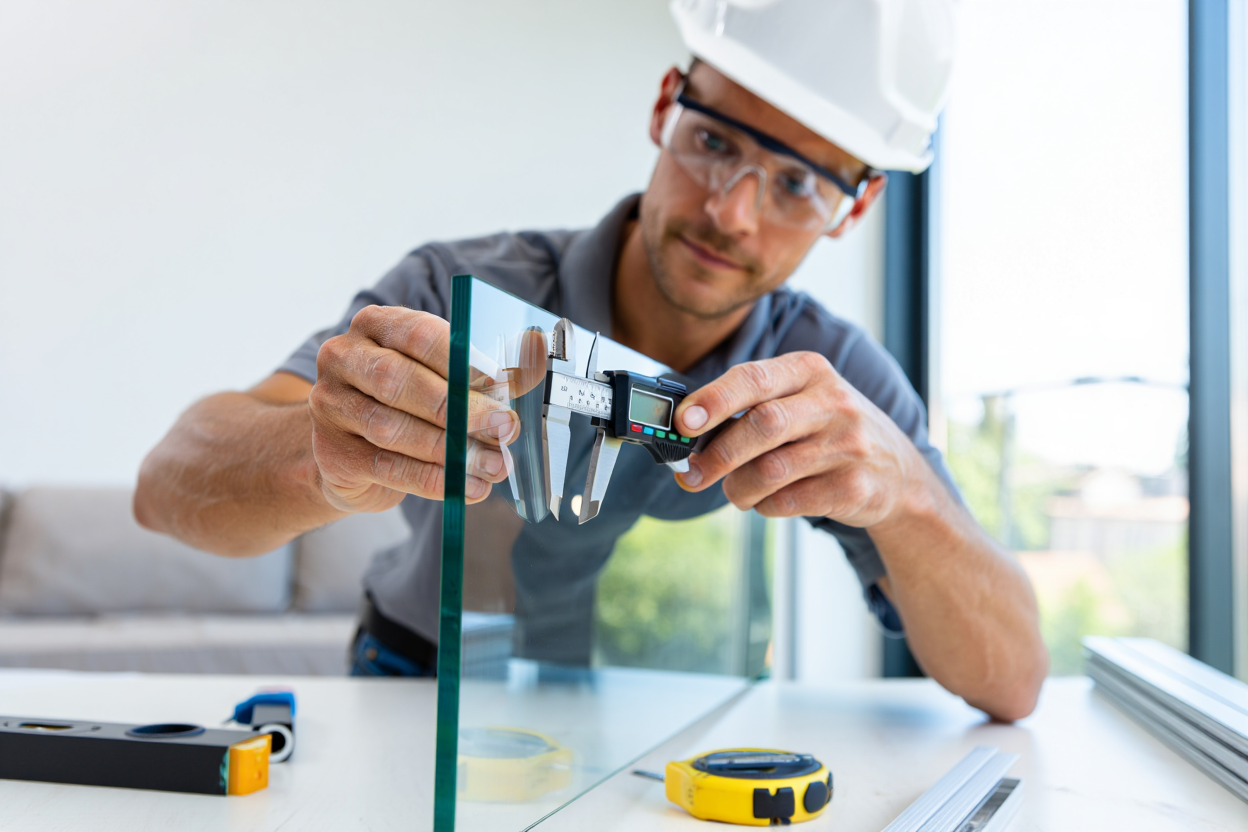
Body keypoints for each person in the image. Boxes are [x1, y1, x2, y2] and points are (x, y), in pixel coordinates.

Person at [134, 0, 1048, 720]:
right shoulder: (458, 288)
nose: (732, 212)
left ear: (854, 207)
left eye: (797, 183)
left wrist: (909, 496)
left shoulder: (837, 382)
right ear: (665, 109)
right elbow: (167, 487)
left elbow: (1012, 681)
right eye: (716, 142)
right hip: (418, 683)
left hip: (660, 713)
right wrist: (325, 455)